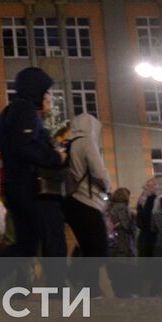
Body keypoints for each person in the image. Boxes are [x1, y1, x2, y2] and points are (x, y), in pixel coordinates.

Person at [0, 67, 66, 259]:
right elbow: (26, 146)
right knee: (53, 244)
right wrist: (56, 158)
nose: (47, 96)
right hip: (32, 188)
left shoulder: (12, 111)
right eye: (45, 91)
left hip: (19, 187)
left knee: (25, 246)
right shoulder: (24, 109)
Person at [62, 113, 110, 289]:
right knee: (99, 249)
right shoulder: (87, 142)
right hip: (88, 201)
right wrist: (107, 186)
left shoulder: (71, 144)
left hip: (71, 201)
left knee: (88, 247)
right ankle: (77, 277)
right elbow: (99, 172)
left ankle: (91, 288)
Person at [106, 187, 137, 297]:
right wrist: (134, 217)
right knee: (124, 273)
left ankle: (120, 294)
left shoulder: (110, 208)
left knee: (116, 274)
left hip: (112, 244)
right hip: (123, 244)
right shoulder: (122, 208)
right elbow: (127, 226)